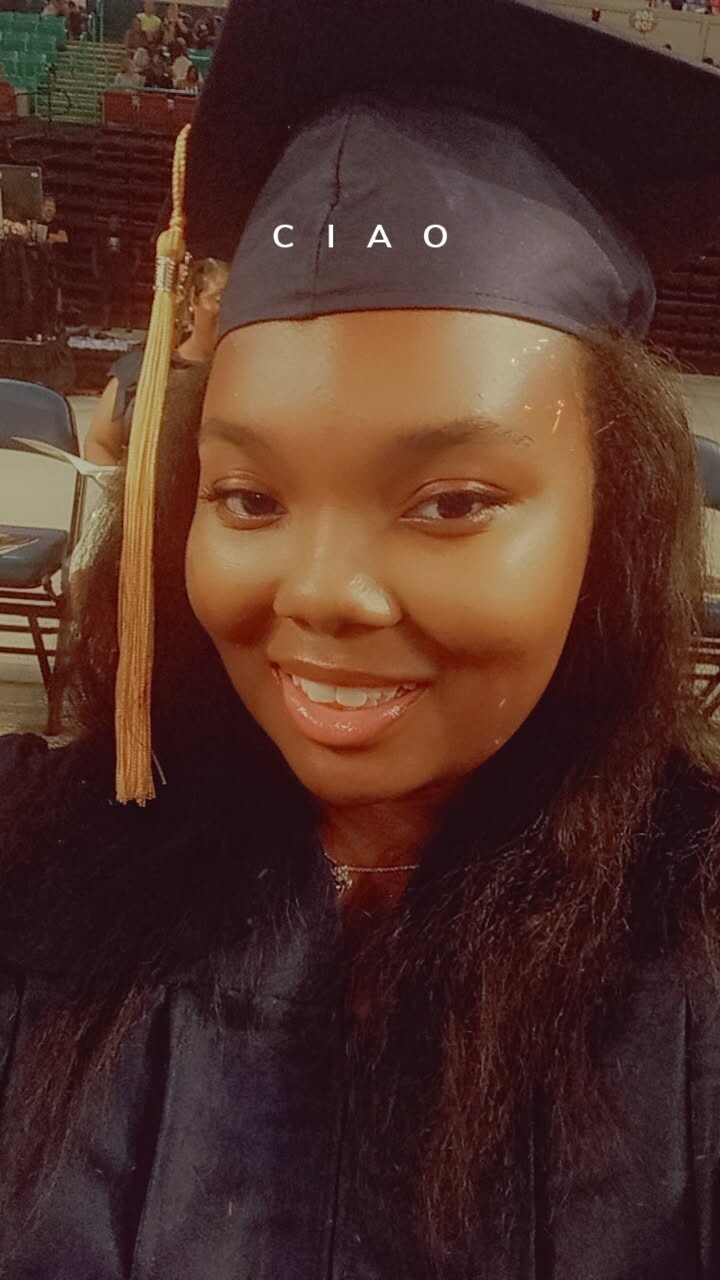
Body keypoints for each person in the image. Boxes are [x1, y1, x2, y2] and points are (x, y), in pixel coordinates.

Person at [3, 1, 720, 1276]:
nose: (326, 592)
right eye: (249, 497)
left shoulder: (695, 940)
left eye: (451, 501)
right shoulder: (38, 870)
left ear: (611, 521)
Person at [83, 256, 228, 466]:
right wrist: (126, 485)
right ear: (192, 301)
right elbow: (100, 443)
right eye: (220, 300)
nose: (231, 310)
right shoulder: (143, 367)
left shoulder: (244, 376)